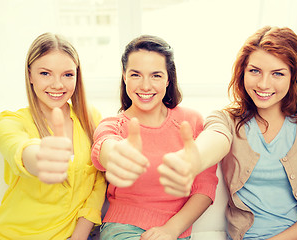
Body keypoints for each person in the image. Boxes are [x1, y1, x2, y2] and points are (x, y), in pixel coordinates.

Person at [158, 26, 297, 240]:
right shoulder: (226, 120)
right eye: (255, 71)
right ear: (243, 71)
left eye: (278, 73)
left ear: (294, 76)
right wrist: (193, 159)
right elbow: (216, 138)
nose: (263, 84)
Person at [91, 35, 218, 240]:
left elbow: (204, 189)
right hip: (122, 228)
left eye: (156, 75)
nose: (145, 86)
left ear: (168, 78)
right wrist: (117, 154)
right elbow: (104, 147)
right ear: (124, 76)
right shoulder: (113, 125)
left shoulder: (191, 122)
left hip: (175, 232)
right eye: (136, 75)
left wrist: (171, 229)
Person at [0, 32, 106, 240]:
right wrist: (40, 158)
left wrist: (78, 236)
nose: (57, 85)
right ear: (30, 75)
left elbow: (98, 185)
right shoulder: (9, 122)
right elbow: (19, 148)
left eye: (68, 75)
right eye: (45, 74)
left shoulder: (90, 118)